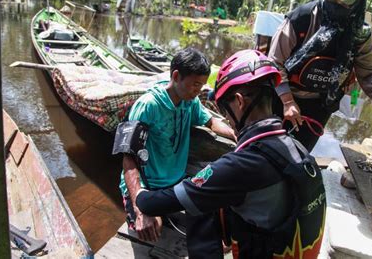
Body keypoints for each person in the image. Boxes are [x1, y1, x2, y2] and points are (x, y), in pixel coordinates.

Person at [135, 50, 326, 258]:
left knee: (198, 205)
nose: (227, 117)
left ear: (239, 102)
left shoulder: (243, 164)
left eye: (225, 110)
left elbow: (151, 203)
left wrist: (139, 196)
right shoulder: (296, 149)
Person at [268, 0, 372, 151]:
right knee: (268, 150)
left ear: (358, 2)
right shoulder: (301, 18)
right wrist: (287, 101)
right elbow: (275, 63)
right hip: (281, 97)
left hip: (321, 104)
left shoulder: (360, 34)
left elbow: (368, 74)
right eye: (333, 0)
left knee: (300, 155)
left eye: (344, 2)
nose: (336, 5)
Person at [120, 48, 235, 256]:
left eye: (201, 85)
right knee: (149, 233)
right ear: (175, 76)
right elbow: (129, 159)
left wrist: (237, 135)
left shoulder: (190, 102)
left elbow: (211, 122)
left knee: (215, 214)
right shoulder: (148, 106)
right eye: (195, 84)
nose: (198, 90)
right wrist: (141, 207)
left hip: (176, 181)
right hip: (149, 187)